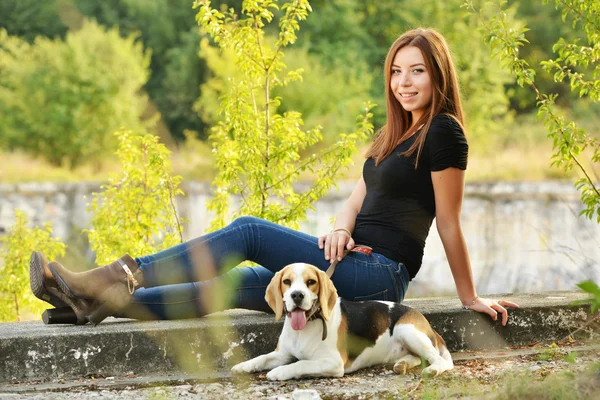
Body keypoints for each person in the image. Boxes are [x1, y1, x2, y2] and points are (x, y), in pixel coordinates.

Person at [30, 28, 519, 326]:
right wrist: (342, 229)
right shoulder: (393, 134)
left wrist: (469, 297)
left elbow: (450, 222)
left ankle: (109, 277)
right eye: (396, 72)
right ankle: (99, 306)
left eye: (416, 72)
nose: (404, 83)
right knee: (244, 284)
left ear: (438, 74)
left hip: (381, 275)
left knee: (249, 232)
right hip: (349, 260)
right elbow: (355, 201)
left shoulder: (445, 133)